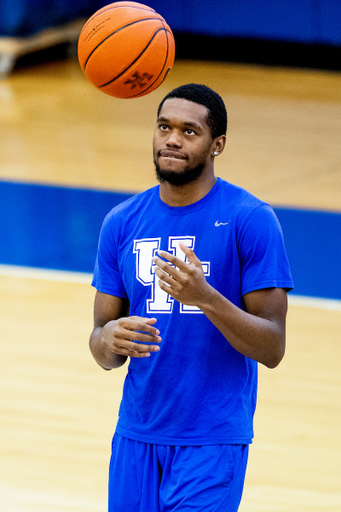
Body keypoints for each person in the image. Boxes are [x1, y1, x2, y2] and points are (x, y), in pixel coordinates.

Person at [89, 83, 293, 512]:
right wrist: (109, 340)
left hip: (211, 439)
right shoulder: (121, 222)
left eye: (189, 131)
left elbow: (272, 347)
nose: (172, 139)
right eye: (164, 127)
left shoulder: (250, 220)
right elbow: (100, 343)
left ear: (217, 144)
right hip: (137, 433)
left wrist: (205, 297)